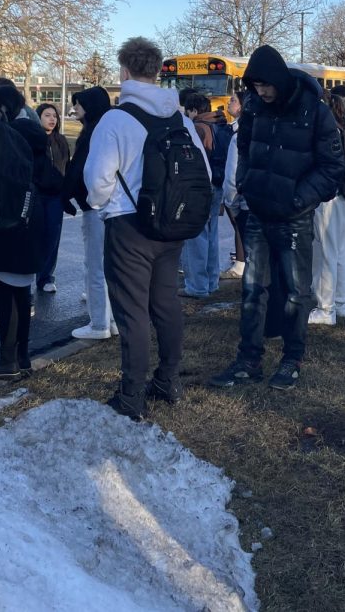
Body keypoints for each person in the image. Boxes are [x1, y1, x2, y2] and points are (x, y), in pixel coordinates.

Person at [84, 37, 209, 418]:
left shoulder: (116, 119)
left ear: (124, 71)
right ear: (157, 72)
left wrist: (99, 204)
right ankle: (167, 380)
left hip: (128, 226)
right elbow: (201, 170)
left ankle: (131, 395)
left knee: (132, 312)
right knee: (166, 304)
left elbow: (97, 180)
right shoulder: (180, 117)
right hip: (170, 226)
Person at [209, 45, 344, 391]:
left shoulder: (314, 111)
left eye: (265, 86)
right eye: (254, 87)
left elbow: (332, 168)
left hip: (294, 217)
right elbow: (245, 147)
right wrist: (246, 184)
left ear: (280, 81)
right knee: (254, 289)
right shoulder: (254, 107)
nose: (261, 92)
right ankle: (248, 359)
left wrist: (298, 198)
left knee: (297, 292)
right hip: (258, 211)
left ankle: (292, 358)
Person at [0, 84, 59, 379]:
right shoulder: (34, 133)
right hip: (30, 213)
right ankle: (21, 355)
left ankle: (7, 359)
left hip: (7, 215)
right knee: (21, 289)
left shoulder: (6, 134)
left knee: (4, 290)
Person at [65, 86, 117, 340]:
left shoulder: (91, 135)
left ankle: (99, 324)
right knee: (112, 267)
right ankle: (113, 320)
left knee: (95, 267)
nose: (75, 108)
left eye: (79, 104)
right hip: (116, 208)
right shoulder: (109, 130)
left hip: (96, 208)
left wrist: (67, 194)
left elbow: (80, 173)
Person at [310, 93, 345, 325]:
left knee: (326, 252)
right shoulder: (344, 129)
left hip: (329, 196)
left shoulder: (326, 132)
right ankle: (340, 302)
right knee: (339, 250)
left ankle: (325, 307)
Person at [180, 92, 226, 299]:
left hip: (201, 186)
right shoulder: (220, 124)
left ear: (194, 111)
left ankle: (197, 285)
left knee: (196, 236)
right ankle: (212, 281)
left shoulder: (197, 128)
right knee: (212, 235)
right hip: (218, 184)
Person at [35, 102, 70, 294]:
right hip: (37, 196)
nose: (52, 119)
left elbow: (67, 166)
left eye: (54, 116)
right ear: (38, 117)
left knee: (52, 237)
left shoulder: (61, 141)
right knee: (35, 237)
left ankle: (46, 276)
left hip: (55, 197)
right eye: (47, 115)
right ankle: (29, 275)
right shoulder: (34, 139)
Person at [221, 89, 248, 279]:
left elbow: (232, 178)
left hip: (244, 202)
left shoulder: (238, 136)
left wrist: (232, 203)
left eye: (233, 100)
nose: (228, 103)